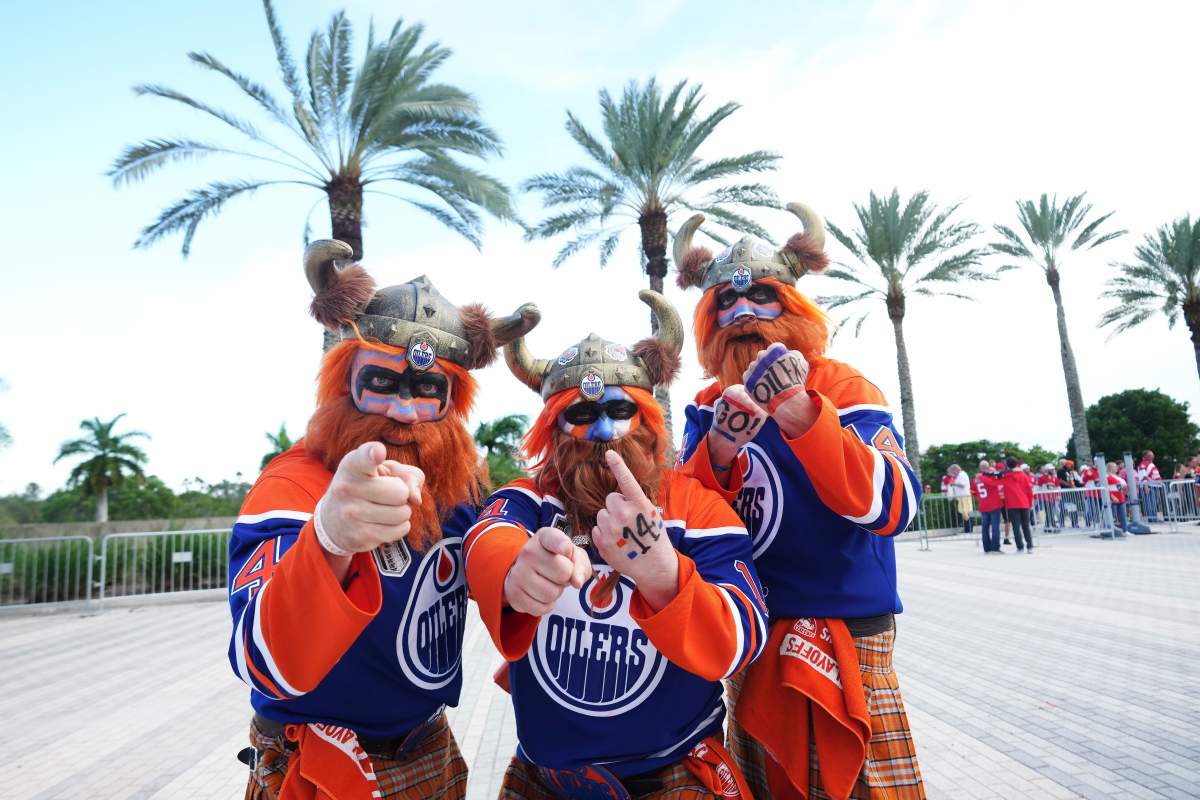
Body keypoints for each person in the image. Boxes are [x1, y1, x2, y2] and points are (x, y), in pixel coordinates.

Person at [227, 240, 540, 800]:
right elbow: (263, 657)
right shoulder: (291, 485)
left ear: (452, 402)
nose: (402, 410)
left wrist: (523, 571)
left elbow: (485, 546)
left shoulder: (455, 484)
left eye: (426, 390)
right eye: (381, 384)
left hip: (429, 747)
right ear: (343, 383)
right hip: (322, 765)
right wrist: (328, 541)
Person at [465, 293, 764, 798]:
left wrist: (664, 576)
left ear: (645, 418)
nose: (603, 431)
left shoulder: (694, 507)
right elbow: (487, 535)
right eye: (581, 413)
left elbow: (743, 635)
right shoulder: (531, 499)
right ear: (552, 428)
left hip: (673, 774)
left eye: (619, 410)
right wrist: (516, 571)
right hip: (548, 779)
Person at [672, 204, 925, 799]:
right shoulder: (710, 403)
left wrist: (805, 416)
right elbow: (689, 514)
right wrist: (719, 449)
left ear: (793, 305)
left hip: (845, 631)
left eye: (761, 296)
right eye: (725, 305)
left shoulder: (842, 385)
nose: (742, 315)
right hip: (755, 633)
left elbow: (895, 505)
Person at [1002, 456, 1035, 552]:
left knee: (1016, 526)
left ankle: (1020, 547)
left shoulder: (1006, 476)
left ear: (1007, 466)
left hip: (1012, 504)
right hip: (1024, 503)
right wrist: (1030, 503)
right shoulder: (1024, 475)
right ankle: (1030, 546)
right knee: (1026, 526)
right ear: (1017, 464)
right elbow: (1029, 490)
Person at [974, 460, 1004, 553]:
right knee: (995, 527)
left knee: (985, 528)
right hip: (994, 504)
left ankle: (986, 548)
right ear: (987, 467)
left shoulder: (976, 479)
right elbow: (999, 480)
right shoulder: (990, 477)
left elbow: (973, 491)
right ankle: (995, 548)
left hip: (983, 505)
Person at [946, 464, 973, 533]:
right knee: (964, 513)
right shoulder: (960, 475)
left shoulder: (962, 475)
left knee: (965, 512)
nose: (953, 473)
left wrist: (954, 483)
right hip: (962, 497)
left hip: (964, 496)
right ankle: (967, 528)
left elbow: (963, 485)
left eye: (953, 471)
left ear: (955, 470)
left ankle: (968, 529)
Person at [1035, 464, 1062, 532]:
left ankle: (1046, 527)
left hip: (1053, 497)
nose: (1053, 470)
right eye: (1051, 469)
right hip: (1045, 498)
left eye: (1053, 469)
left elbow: (1058, 487)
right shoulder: (1041, 478)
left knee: (1049, 512)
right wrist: (1038, 497)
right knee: (1049, 512)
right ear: (1047, 470)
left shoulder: (1055, 478)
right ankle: (1053, 526)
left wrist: (1058, 495)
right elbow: (1038, 488)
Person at [1138, 450, 1162, 522]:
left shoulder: (1151, 464)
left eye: (1152, 455)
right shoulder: (1143, 464)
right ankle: (1152, 519)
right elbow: (1142, 476)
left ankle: (1154, 518)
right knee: (1150, 503)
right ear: (1145, 456)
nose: (1152, 456)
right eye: (1150, 455)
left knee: (1154, 503)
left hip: (1155, 486)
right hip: (1149, 486)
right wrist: (1145, 486)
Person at [1106, 462, 1129, 536]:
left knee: (1122, 515)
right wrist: (1111, 496)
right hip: (1113, 498)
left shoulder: (1118, 477)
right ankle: (1111, 530)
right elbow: (1106, 488)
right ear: (1110, 468)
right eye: (1114, 467)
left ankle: (1125, 530)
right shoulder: (1107, 476)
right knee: (1112, 515)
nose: (1116, 468)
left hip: (1120, 497)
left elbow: (1123, 485)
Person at [1080, 461, 1101, 526]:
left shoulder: (1099, 471)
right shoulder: (1088, 470)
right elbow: (1082, 480)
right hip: (1090, 493)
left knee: (1097, 509)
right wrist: (1087, 476)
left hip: (1098, 493)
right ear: (1095, 464)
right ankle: (1090, 523)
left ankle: (1095, 523)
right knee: (1091, 509)